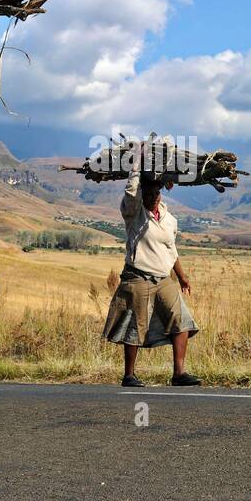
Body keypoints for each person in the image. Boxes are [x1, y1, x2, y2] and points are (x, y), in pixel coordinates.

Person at [102, 160, 201, 387]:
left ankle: (179, 374)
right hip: (137, 277)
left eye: (157, 192)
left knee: (181, 320)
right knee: (135, 325)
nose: (154, 196)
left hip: (163, 278)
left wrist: (183, 276)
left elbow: (171, 250)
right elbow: (130, 192)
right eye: (149, 192)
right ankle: (129, 375)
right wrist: (136, 165)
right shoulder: (133, 213)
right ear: (142, 194)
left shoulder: (169, 219)